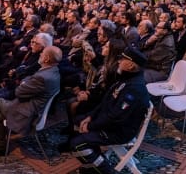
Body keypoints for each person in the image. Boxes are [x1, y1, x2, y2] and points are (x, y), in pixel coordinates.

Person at [62, 46, 151, 174]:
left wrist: (91, 126)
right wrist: (90, 117)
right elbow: (105, 102)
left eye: (122, 59)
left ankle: (106, 170)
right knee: (77, 121)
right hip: (111, 123)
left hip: (119, 131)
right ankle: (93, 165)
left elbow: (115, 116)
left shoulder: (134, 88)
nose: (119, 61)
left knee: (77, 144)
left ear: (131, 66)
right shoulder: (126, 79)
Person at [0, 46, 62, 156]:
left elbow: (18, 92)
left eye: (42, 53)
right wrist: (25, 82)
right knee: (0, 115)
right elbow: (27, 82)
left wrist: (24, 83)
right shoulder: (53, 71)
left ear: (47, 58)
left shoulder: (43, 77)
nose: (40, 54)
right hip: (33, 108)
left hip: (27, 113)